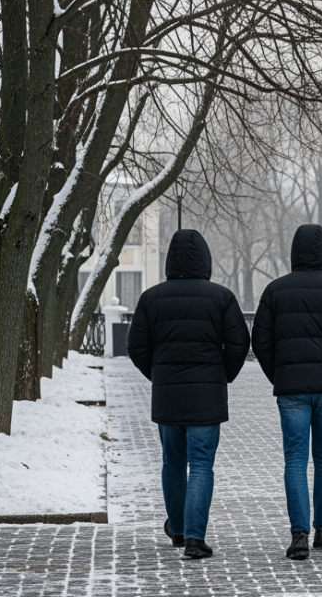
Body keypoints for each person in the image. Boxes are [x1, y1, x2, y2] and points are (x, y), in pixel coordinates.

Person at [127, 229, 250, 560]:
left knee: (172, 462)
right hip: (206, 397)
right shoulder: (221, 297)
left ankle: (178, 529)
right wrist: (222, 375)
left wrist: (159, 375)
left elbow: (136, 346)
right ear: (205, 260)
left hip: (167, 396)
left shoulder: (151, 299)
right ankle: (196, 538)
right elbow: (240, 342)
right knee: (201, 464)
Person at [251, 224, 322, 560]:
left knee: (295, 458)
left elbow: (260, 340)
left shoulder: (275, 291)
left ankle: (299, 534)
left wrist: (279, 375)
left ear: (294, 253)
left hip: (292, 389)